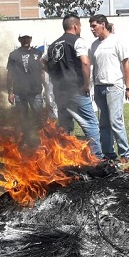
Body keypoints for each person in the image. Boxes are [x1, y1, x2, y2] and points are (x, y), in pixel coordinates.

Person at [43, 14, 103, 159]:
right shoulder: (77, 41)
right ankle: (96, 158)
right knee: (90, 123)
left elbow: (42, 62)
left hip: (59, 91)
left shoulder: (53, 45)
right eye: (80, 26)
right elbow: (85, 62)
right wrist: (86, 85)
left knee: (64, 125)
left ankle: (62, 157)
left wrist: (54, 74)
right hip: (75, 89)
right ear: (75, 26)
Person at [89, 14, 129, 164]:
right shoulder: (94, 45)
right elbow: (91, 66)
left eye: (94, 26)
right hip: (99, 87)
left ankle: (126, 154)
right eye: (91, 26)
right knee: (103, 123)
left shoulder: (116, 41)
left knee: (115, 121)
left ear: (103, 24)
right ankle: (108, 154)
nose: (92, 29)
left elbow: (126, 65)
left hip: (114, 86)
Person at [6, 33, 45, 141]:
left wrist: (45, 86)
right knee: (22, 118)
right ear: (19, 39)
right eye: (23, 38)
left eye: (28, 37)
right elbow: (10, 74)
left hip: (35, 91)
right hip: (19, 92)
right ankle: (26, 140)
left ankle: (42, 139)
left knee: (39, 117)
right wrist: (10, 92)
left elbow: (42, 71)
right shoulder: (14, 55)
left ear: (31, 38)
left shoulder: (38, 53)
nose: (26, 40)